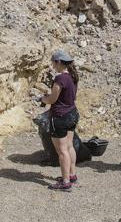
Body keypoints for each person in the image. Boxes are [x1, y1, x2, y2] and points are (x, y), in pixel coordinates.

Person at [35, 50, 80, 191]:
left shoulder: (60, 78)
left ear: (59, 62)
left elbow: (53, 99)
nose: (53, 65)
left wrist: (42, 99)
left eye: (53, 62)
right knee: (69, 146)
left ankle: (65, 182)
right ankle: (72, 175)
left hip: (60, 117)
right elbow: (63, 95)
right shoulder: (73, 76)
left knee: (62, 151)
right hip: (72, 113)